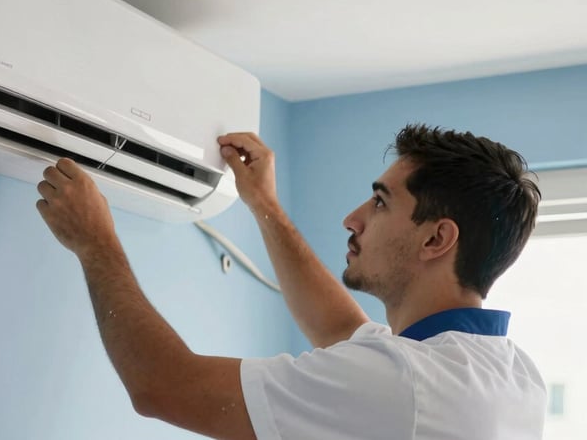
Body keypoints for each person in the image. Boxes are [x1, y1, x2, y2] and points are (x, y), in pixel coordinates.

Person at [35, 124, 546, 439]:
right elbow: (339, 328)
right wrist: (264, 204)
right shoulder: (514, 375)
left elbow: (165, 387)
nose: (352, 219)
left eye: (381, 202)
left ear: (436, 239)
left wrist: (95, 243)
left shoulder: (402, 383)